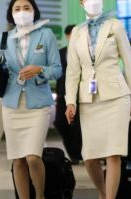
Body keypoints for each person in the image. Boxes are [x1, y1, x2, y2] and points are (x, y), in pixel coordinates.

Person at [65, 0, 131, 199]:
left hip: (116, 96)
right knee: (89, 156)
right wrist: (70, 102)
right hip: (89, 99)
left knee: (113, 154)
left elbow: (128, 63)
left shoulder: (115, 26)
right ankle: (103, 193)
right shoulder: (77, 32)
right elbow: (72, 71)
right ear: (81, 3)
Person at [0, 0, 62, 199]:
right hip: (12, 103)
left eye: (26, 8)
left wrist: (40, 70)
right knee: (17, 159)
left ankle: (40, 198)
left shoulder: (46, 35)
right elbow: (1, 67)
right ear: (11, 14)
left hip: (38, 104)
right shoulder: (5, 38)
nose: (22, 12)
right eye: (17, 9)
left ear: (34, 11)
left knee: (33, 156)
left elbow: (57, 68)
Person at [54, 24, 82, 164]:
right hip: (62, 94)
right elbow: (59, 75)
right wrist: (58, 93)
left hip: (80, 95)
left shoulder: (83, 52)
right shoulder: (61, 53)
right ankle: (74, 153)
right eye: (70, 35)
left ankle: (81, 153)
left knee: (77, 126)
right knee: (60, 122)